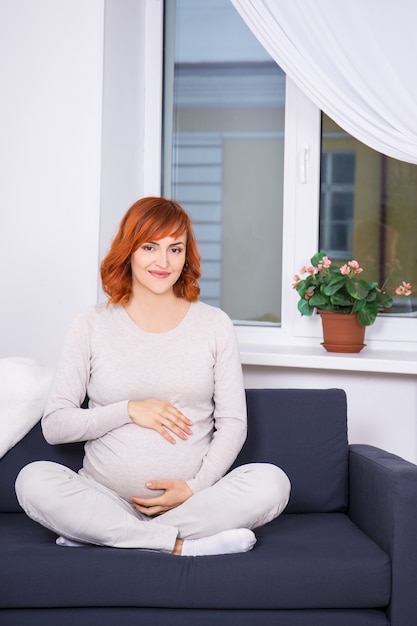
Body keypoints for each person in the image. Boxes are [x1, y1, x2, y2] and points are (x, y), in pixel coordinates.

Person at [15, 197, 290, 556]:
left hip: (192, 503)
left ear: (186, 256)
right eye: (149, 247)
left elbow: (233, 422)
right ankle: (179, 548)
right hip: (104, 498)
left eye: (175, 249)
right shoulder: (90, 323)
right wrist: (128, 410)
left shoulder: (214, 325)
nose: (163, 262)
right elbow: (56, 425)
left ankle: (106, 537)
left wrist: (194, 487)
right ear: (128, 251)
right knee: (33, 480)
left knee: (272, 482)